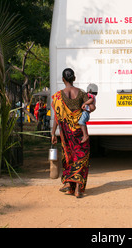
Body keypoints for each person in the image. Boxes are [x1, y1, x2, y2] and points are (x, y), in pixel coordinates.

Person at [51, 68, 90, 198]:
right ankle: (78, 189)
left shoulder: (58, 96)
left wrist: (53, 133)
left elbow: (57, 116)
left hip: (66, 133)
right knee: (81, 157)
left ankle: (68, 185)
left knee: (69, 157)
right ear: (74, 78)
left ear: (63, 79)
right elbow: (89, 109)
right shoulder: (82, 94)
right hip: (79, 131)